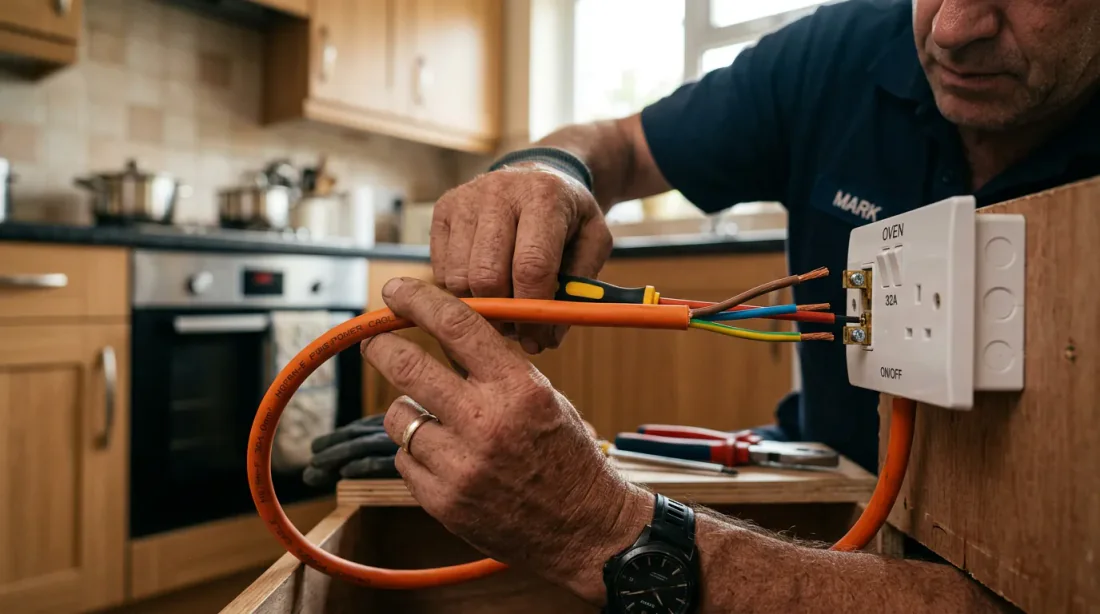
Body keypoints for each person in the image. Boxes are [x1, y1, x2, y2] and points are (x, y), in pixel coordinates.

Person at [309, 0, 1100, 611]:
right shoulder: (845, 51)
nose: (956, 26)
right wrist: (551, 170)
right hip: (814, 473)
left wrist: (607, 528)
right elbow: (614, 148)